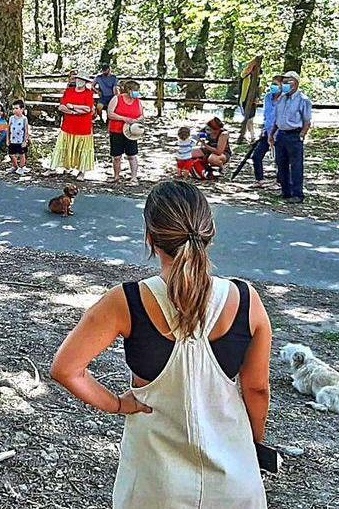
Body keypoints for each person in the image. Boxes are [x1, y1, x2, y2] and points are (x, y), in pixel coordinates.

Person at [51, 181, 272, 508]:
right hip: (232, 482)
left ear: (151, 239)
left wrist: (118, 404)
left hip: (154, 483)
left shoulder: (126, 302)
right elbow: (257, 389)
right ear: (209, 232)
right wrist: (252, 442)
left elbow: (66, 369)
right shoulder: (245, 300)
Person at [269, 70, 311, 204]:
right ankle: (285, 192)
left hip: (294, 135)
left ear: (296, 83)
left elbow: (307, 121)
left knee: (296, 165)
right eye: (284, 81)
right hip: (281, 134)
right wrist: (272, 134)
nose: (286, 84)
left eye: (289, 81)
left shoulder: (303, 100)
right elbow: (277, 118)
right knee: (281, 164)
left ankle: (297, 194)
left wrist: (302, 135)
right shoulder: (281, 98)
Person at [47, 73, 97, 180]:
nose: (79, 82)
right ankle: (53, 168)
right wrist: (76, 111)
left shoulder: (88, 93)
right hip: (68, 125)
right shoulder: (69, 91)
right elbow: (62, 107)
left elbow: (88, 109)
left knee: (82, 149)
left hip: (83, 127)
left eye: (82, 80)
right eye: (78, 80)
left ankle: (81, 172)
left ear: (85, 82)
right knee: (62, 146)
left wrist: (73, 106)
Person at [106, 80, 143, 185]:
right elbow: (110, 114)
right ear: (129, 90)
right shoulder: (117, 99)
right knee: (116, 156)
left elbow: (141, 115)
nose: (136, 93)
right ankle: (116, 176)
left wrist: (136, 120)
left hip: (131, 132)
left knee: (132, 155)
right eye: (135, 90)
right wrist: (124, 118)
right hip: (116, 130)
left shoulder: (138, 101)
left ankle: (134, 177)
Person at [251, 75, 283, 187]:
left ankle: (279, 182)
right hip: (267, 131)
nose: (273, 86)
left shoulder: (285, 99)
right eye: (272, 84)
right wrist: (263, 130)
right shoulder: (268, 97)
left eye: (276, 84)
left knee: (280, 158)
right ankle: (259, 180)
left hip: (279, 133)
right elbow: (266, 115)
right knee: (257, 155)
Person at [8, 99, 31, 174]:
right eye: (13, 108)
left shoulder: (24, 119)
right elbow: (8, 129)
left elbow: (26, 131)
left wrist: (25, 141)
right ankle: (15, 166)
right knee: (11, 154)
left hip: (21, 140)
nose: (14, 110)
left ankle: (22, 167)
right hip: (12, 140)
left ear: (22, 109)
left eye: (16, 108)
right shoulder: (11, 118)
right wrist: (7, 139)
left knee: (22, 154)